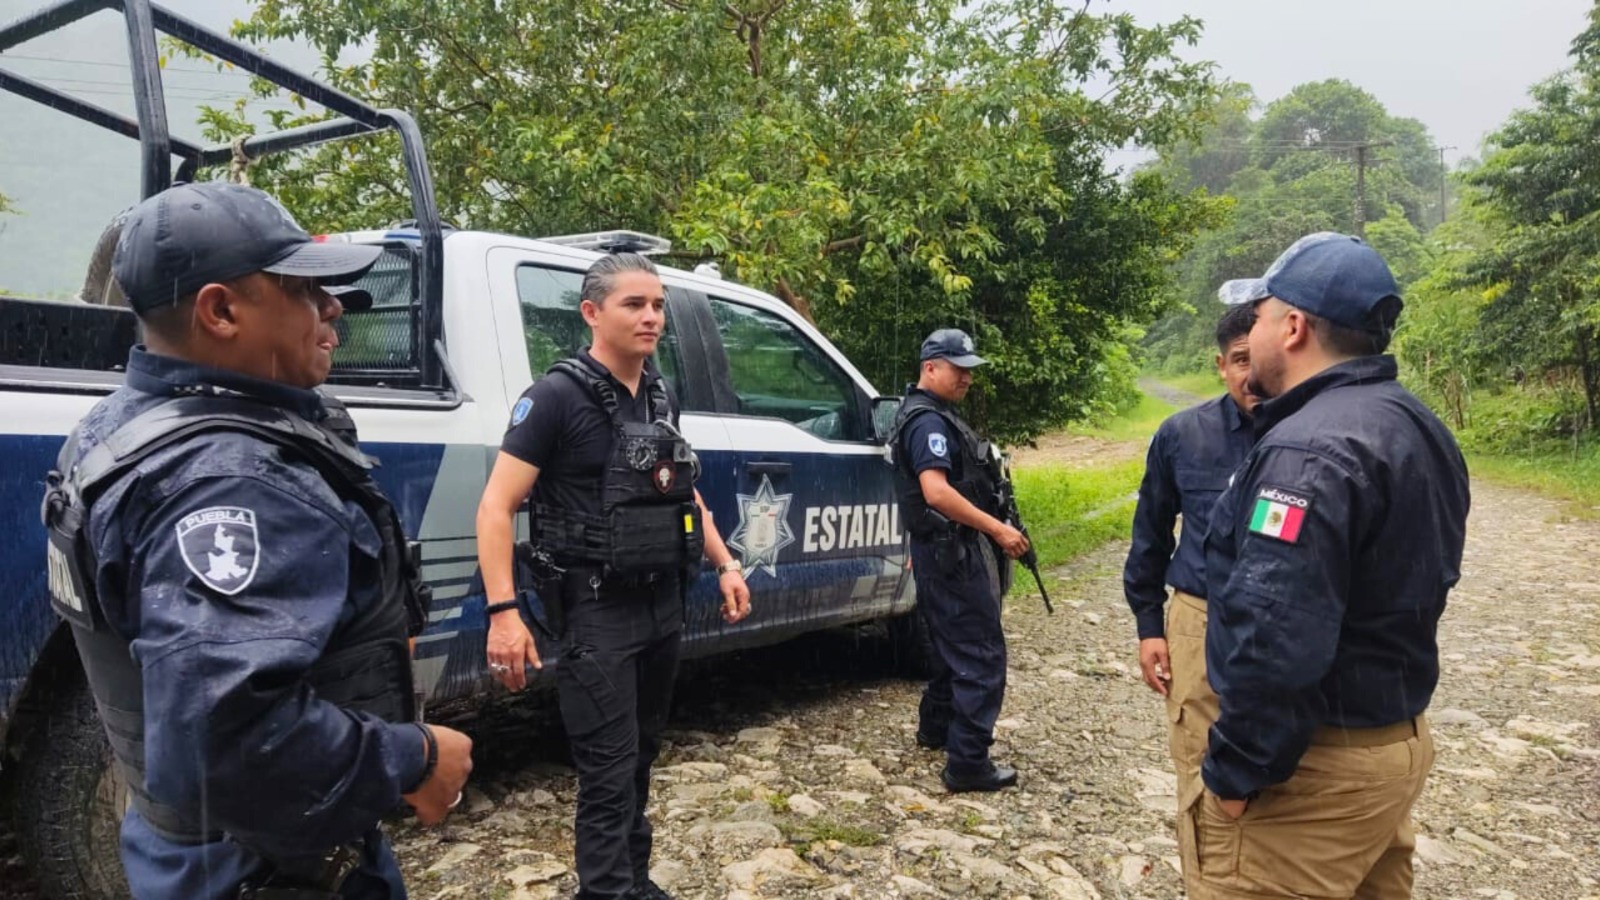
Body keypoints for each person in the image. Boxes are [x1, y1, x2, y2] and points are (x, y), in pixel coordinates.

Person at [40, 182, 473, 899]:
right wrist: (413, 758)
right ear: (221, 311)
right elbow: (223, 737)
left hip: (196, 851)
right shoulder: (230, 480)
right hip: (264, 866)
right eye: (303, 289)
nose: (333, 307)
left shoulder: (120, 425)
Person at [1190, 233, 1470, 898]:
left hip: (1315, 777)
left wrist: (1236, 773)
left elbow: (1275, 633)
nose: (1252, 330)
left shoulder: (1306, 451)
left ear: (1293, 328)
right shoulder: (1417, 423)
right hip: (1391, 746)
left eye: (1259, 315)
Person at [475, 252, 751, 900]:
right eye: (634, 304)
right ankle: (604, 889)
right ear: (592, 313)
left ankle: (633, 880)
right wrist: (503, 614)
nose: (651, 317)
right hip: (595, 610)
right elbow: (495, 507)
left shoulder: (660, 394)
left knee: (643, 753)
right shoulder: (553, 398)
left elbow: (683, 494)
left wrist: (726, 563)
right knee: (607, 767)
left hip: (660, 602)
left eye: (657, 305)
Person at [1122, 303, 1258, 853]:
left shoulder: (1310, 433)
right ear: (1220, 365)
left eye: (1262, 358)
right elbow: (1150, 534)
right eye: (1240, 359)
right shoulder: (1183, 435)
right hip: (1199, 620)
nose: (1252, 374)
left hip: (1287, 624)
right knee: (1203, 767)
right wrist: (1149, 626)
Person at [888, 329, 1029, 793]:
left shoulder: (930, 414)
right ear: (930, 367)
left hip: (942, 550)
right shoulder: (927, 423)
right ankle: (968, 762)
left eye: (970, 370)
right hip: (950, 550)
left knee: (953, 643)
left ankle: (936, 728)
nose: (967, 377)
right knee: (979, 652)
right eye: (958, 368)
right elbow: (936, 492)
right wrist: (997, 529)